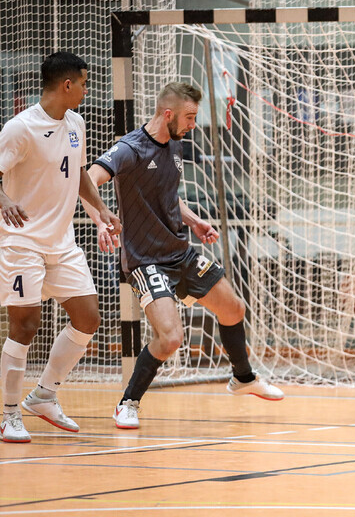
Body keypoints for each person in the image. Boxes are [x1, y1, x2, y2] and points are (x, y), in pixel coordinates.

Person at [84, 82, 282, 430]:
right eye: (190, 117)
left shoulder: (174, 144)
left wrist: (194, 220)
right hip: (145, 259)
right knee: (172, 338)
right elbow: (88, 179)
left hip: (179, 252)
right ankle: (128, 403)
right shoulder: (130, 149)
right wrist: (101, 219)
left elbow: (166, 193)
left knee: (233, 308)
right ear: (168, 113)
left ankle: (243, 378)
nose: (194, 124)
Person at [0, 52, 122, 443]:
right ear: (67, 85)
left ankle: (44, 395)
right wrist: (4, 201)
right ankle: (7, 414)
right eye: (84, 83)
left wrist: (101, 210)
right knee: (25, 325)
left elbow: (80, 171)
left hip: (62, 241)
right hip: (22, 242)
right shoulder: (20, 129)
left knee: (87, 318)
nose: (87, 90)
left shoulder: (76, 123)